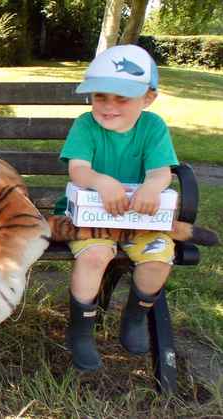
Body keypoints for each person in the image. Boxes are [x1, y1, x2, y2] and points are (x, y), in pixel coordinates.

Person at [55, 44, 179, 371]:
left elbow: (160, 172)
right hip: (89, 218)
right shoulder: (86, 125)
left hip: (141, 222)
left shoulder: (153, 128)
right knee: (95, 256)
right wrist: (100, 181)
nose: (108, 107)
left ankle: (136, 316)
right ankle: (81, 331)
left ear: (148, 98)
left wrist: (153, 187)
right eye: (100, 97)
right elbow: (78, 169)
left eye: (121, 98)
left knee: (158, 259)